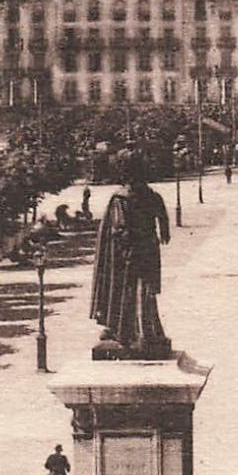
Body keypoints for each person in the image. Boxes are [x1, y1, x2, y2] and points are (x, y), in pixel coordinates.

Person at [89, 150, 173, 359]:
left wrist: (127, 247)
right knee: (144, 291)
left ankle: (127, 331)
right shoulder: (152, 196)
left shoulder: (121, 199)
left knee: (127, 291)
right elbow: (163, 223)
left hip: (129, 255)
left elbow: (119, 229)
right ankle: (144, 330)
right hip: (146, 251)